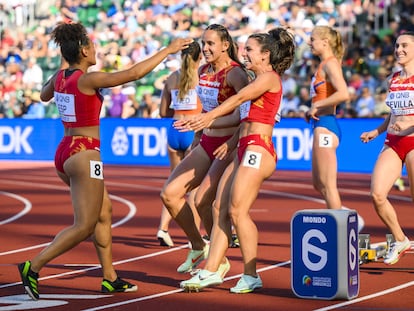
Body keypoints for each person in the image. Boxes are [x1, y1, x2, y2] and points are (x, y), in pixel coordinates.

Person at [17, 21, 193, 301]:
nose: (96, 49)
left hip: (65, 149)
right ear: (85, 50)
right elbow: (133, 74)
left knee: (105, 211)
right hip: (85, 154)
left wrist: (60, 74)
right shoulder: (89, 79)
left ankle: (109, 278)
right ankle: (33, 266)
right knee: (84, 225)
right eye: (93, 45)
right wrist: (168, 50)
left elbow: (44, 95)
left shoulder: (61, 76)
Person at [177, 27, 296, 293]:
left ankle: (251, 274)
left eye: (249, 50)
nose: (244, 54)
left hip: (258, 150)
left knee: (237, 211)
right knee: (219, 207)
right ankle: (211, 269)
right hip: (244, 146)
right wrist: (228, 140)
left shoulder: (268, 78)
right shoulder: (258, 77)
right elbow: (244, 116)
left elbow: (240, 97)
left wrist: (209, 117)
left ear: (266, 55)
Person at [160, 24, 249, 274]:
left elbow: (246, 116)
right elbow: (207, 112)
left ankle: (219, 258)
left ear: (225, 45)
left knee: (202, 202)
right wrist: (199, 130)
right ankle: (199, 245)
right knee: (170, 194)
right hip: (205, 141)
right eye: (204, 43)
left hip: (228, 146)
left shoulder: (235, 75)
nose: (206, 48)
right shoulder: (202, 71)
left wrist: (207, 121)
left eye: (211, 44)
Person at [360, 31, 414, 265]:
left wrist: (411, 123)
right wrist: (377, 131)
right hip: (392, 141)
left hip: (413, 139)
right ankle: (400, 240)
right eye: (396, 46)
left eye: (404, 45)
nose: (399, 49)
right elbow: (393, 114)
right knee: (377, 194)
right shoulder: (394, 77)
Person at [305, 25, 364, 231]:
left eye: (312, 39)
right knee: (318, 184)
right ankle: (338, 222)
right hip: (319, 125)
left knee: (328, 185)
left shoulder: (331, 64)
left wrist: (317, 105)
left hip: (326, 126)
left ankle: (340, 232)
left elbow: (344, 94)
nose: (309, 43)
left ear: (325, 42)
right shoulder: (323, 64)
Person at [157, 40, 203, 247]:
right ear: (199, 57)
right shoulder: (201, 78)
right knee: (195, 186)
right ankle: (194, 235)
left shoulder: (171, 79)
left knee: (173, 184)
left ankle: (163, 228)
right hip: (193, 129)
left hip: (175, 129)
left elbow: (162, 112)